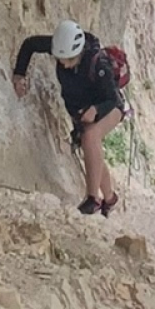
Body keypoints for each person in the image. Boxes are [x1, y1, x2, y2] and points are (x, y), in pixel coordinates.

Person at [12, 18, 126, 215]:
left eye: (69, 60)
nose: (63, 65)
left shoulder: (98, 64)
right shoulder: (60, 46)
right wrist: (19, 74)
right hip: (82, 110)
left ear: (79, 53)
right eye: (60, 59)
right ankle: (110, 198)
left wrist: (96, 110)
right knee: (91, 147)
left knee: (90, 137)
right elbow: (30, 44)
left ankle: (92, 199)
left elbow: (113, 98)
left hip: (110, 107)